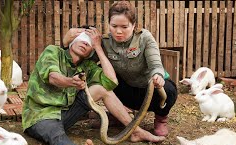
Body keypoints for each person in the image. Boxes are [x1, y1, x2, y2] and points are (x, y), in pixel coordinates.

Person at [22, 26, 165, 145]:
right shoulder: (53, 51)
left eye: (90, 43)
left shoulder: (88, 66)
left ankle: (136, 131)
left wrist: (99, 48)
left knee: (103, 89)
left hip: (65, 113)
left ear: (91, 52)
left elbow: (111, 81)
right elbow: (53, 77)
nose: (85, 43)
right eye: (82, 39)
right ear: (72, 40)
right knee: (55, 132)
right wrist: (71, 82)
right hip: (40, 115)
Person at [63, 1, 178, 137]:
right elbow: (83, 63)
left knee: (169, 91)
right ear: (109, 24)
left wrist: (157, 75)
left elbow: (155, 64)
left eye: (124, 27)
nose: (118, 31)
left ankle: (161, 118)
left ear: (133, 25)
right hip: (126, 90)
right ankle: (117, 113)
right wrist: (66, 43)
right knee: (103, 73)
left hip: (150, 88)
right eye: (114, 26)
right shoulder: (105, 42)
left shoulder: (144, 38)